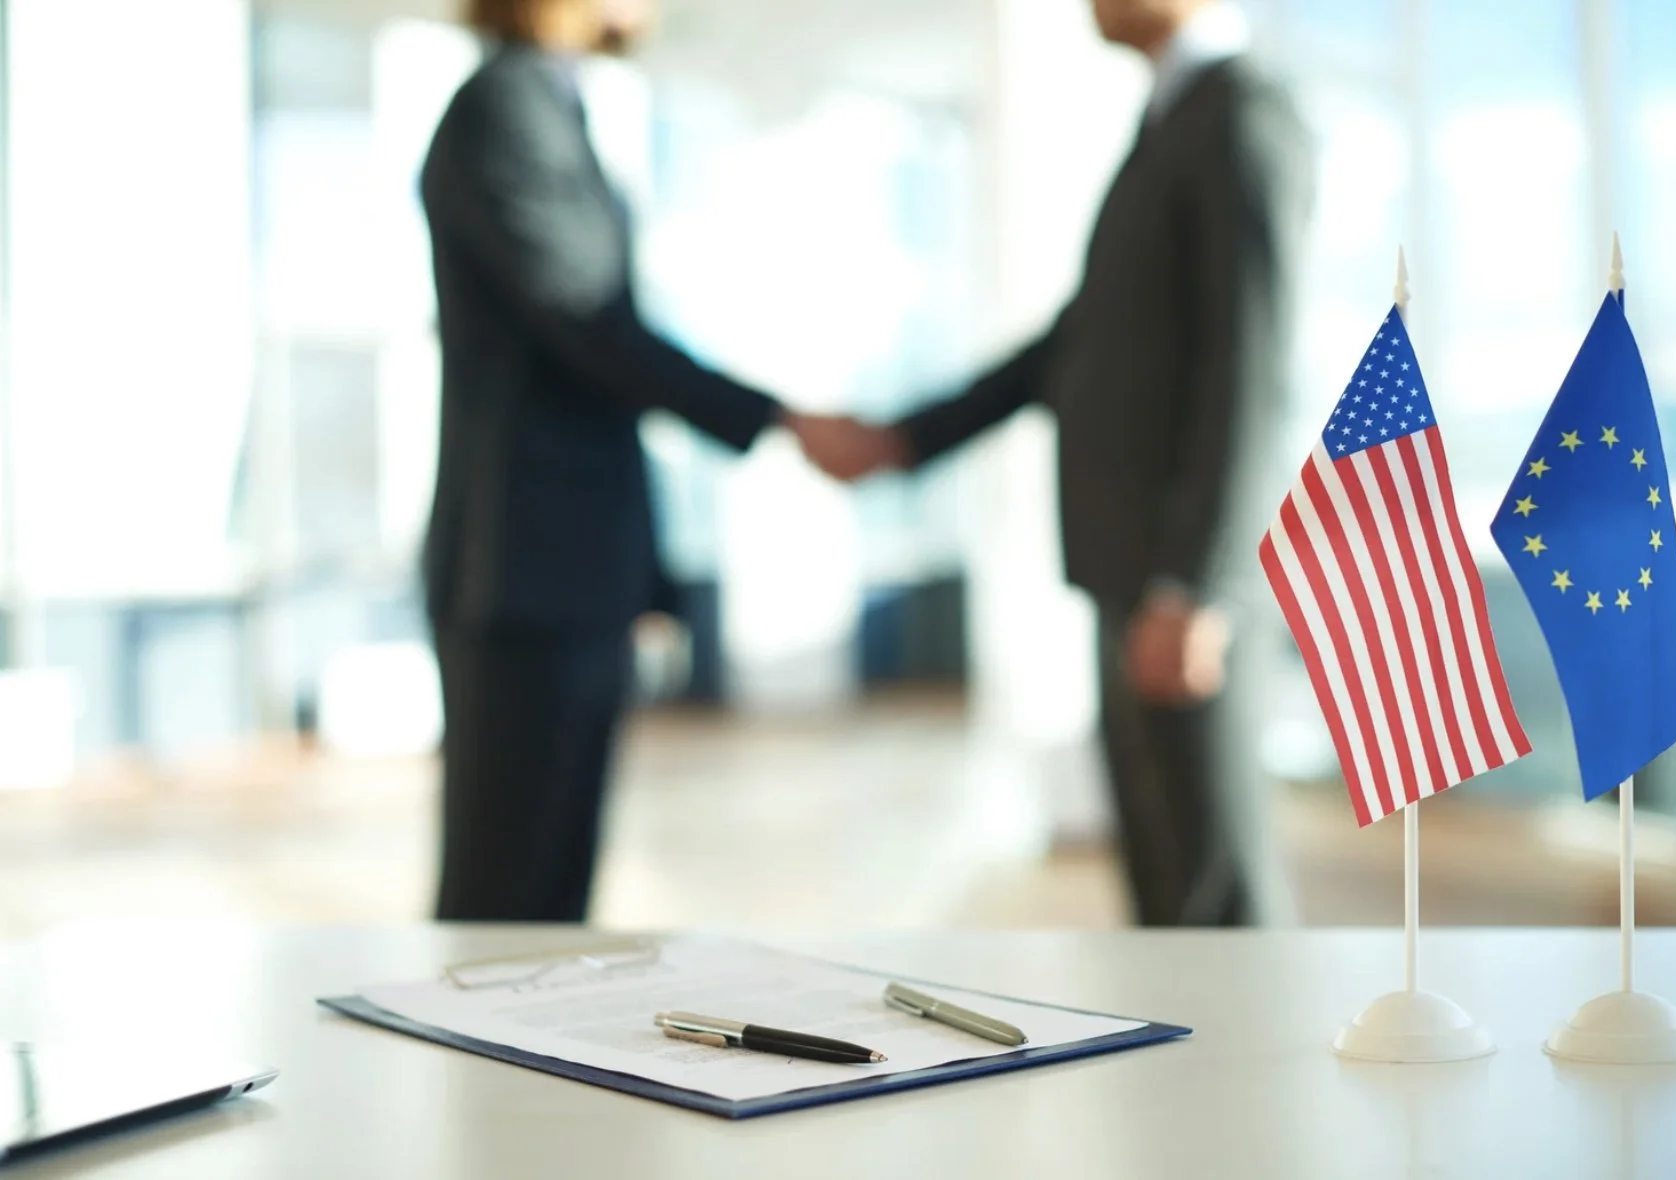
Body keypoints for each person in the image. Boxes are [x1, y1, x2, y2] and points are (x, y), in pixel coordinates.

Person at [820, 0, 1312, 926]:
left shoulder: (1241, 113)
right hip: (1129, 562)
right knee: (1163, 876)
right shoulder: (1171, 117)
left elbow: (1251, 367)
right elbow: (1082, 339)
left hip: (1176, 579)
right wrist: (905, 440)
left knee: (1215, 883)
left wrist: (1194, 585)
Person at [421, 0, 864, 921]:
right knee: (506, 898)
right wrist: (774, 415)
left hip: (568, 568)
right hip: (524, 570)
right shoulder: (504, 105)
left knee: (550, 891)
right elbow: (591, 328)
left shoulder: (549, 105)